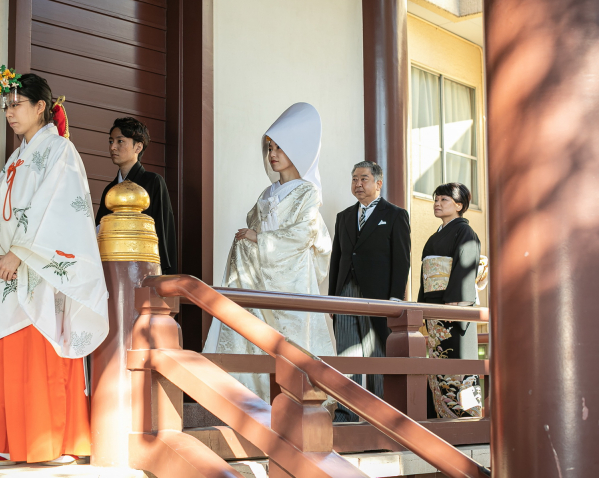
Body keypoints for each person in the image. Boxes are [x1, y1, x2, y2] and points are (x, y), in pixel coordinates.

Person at [0, 72, 109, 466]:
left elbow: (61, 211)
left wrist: (22, 253)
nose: (9, 113)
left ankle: (52, 442)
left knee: (38, 352)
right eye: (6, 106)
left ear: (40, 107)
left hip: (41, 270)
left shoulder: (60, 151)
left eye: (17, 105)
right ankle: (1, 440)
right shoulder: (16, 158)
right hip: (8, 268)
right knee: (3, 352)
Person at [203, 102, 335, 403]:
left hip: (291, 277)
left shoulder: (307, 192)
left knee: (291, 341)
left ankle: (297, 401)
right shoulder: (268, 192)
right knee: (253, 333)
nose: (272, 154)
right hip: (260, 274)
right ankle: (250, 395)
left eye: (280, 148)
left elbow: (304, 234)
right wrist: (252, 239)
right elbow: (254, 225)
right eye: (269, 148)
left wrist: (260, 239)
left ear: (298, 150)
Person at [328, 161, 411, 422]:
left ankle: (380, 415)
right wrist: (332, 298)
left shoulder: (396, 215)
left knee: (377, 354)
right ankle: (346, 414)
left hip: (379, 296)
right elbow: (337, 259)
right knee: (346, 353)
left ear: (378, 183)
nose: (358, 184)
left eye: (364, 179)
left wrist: (395, 299)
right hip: (346, 292)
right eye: (354, 179)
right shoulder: (343, 217)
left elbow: (402, 259)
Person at [418, 182, 482, 418]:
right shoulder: (436, 235)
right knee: (437, 365)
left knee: (458, 364)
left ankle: (467, 419)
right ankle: (441, 416)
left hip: (452, 308)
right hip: (435, 309)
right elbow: (427, 274)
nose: (437, 203)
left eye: (444, 199)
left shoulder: (465, 232)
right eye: (436, 199)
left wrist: (455, 305)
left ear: (459, 205)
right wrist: (423, 306)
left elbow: (466, 266)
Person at [95, 117, 177, 275]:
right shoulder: (110, 190)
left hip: (145, 268)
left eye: (120, 141)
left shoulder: (153, 182)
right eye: (111, 141)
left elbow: (162, 231)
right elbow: (99, 232)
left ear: (138, 147)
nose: (112, 147)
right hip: (112, 268)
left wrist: (163, 274)